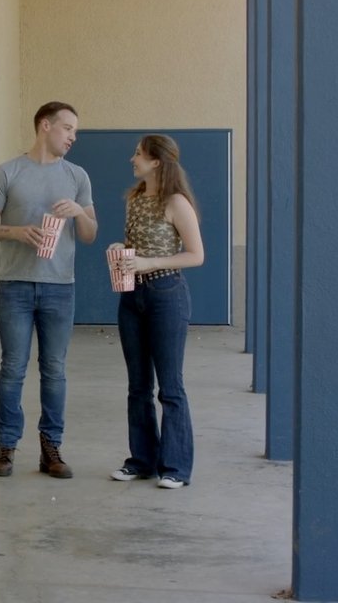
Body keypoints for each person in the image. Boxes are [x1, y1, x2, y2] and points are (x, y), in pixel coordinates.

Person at [0, 101, 97, 478]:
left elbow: (90, 235)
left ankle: (51, 450)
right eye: (68, 128)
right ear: (45, 126)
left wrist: (79, 213)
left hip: (60, 288)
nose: (73, 137)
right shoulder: (7, 172)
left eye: (75, 131)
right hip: (14, 287)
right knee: (12, 369)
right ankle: (6, 448)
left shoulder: (77, 177)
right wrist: (16, 232)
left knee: (55, 370)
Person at [108, 133, 204, 489]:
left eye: (138, 154)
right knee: (138, 385)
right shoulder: (134, 198)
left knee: (170, 386)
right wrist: (123, 249)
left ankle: (176, 467)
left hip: (167, 293)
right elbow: (136, 246)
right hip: (132, 296)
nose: (132, 160)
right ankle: (142, 460)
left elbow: (196, 255)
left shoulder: (176, 202)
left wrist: (149, 262)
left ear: (156, 162)